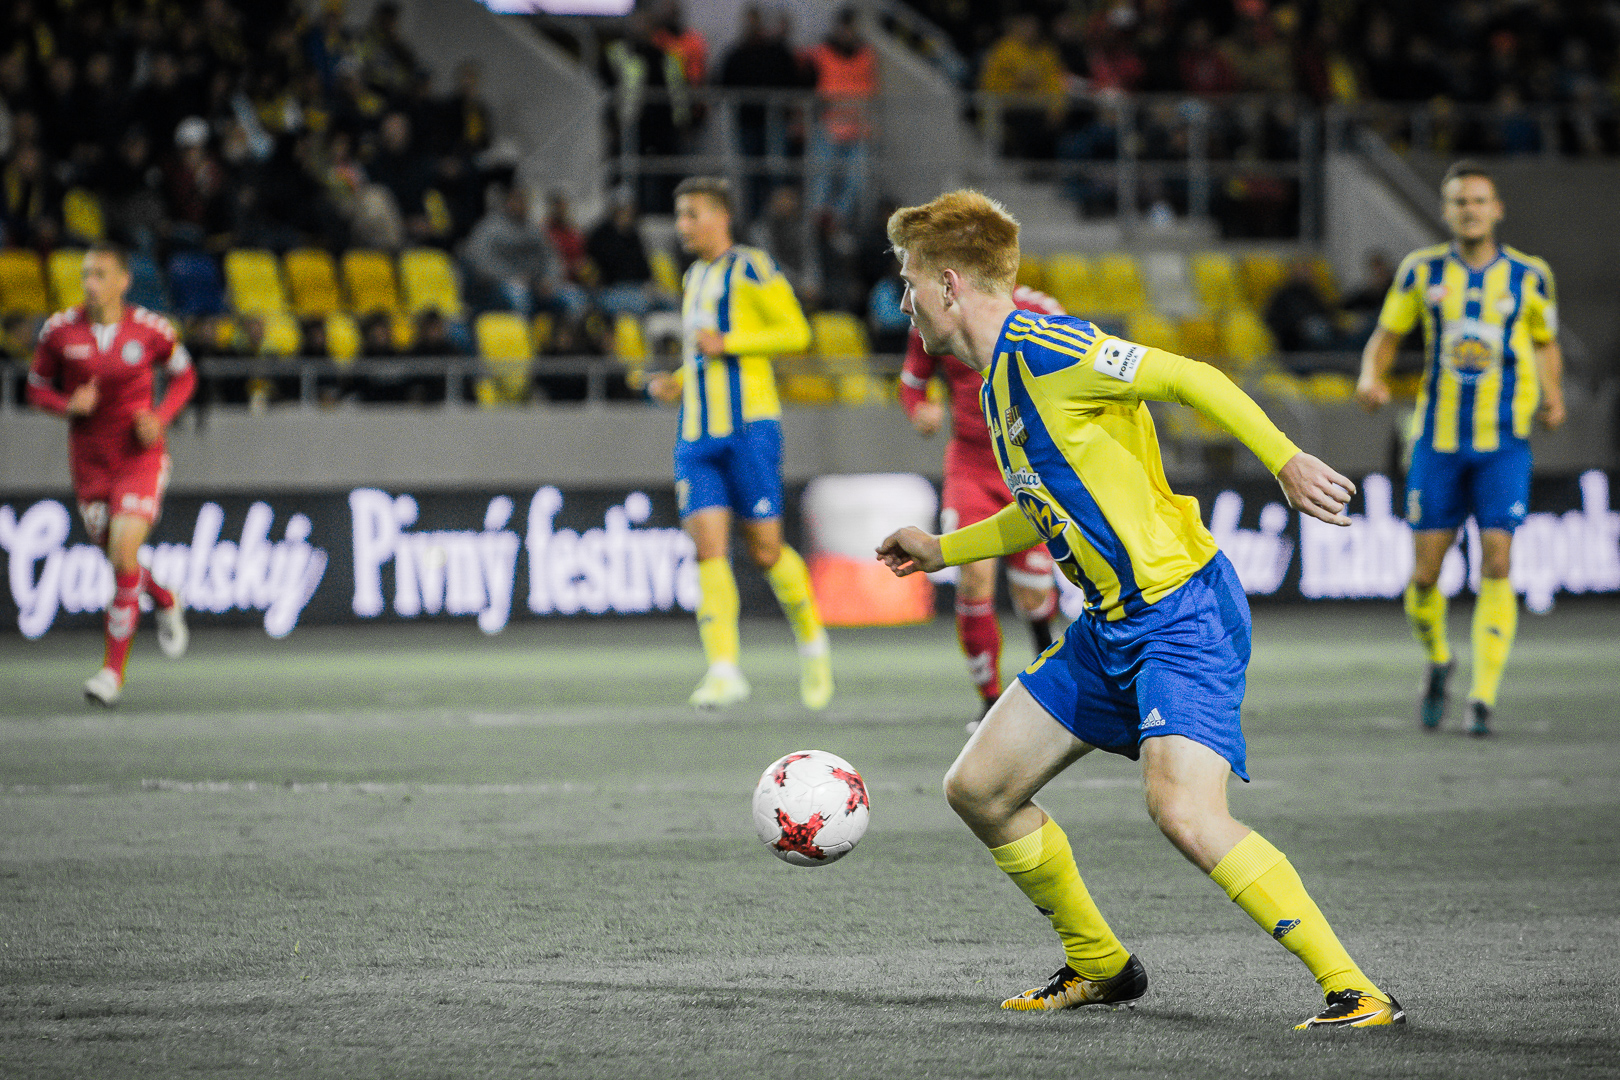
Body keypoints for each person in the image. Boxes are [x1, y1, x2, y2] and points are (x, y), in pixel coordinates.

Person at [877, 190, 1403, 1030]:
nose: (904, 303)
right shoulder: (997, 381)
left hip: (1180, 613)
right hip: (1109, 628)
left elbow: (1190, 375)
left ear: (948, 284)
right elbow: (1044, 507)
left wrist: (1285, 459)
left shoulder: (1049, 348)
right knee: (978, 788)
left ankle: (1357, 991)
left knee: (1184, 811)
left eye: (909, 283)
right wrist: (946, 549)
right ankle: (1100, 965)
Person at [1356, 161, 1564, 737]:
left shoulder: (1530, 276)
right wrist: (1371, 375)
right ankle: (1440, 660)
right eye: (1459, 202)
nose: (1469, 210)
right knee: (1426, 574)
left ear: (1496, 210)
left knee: (1498, 558)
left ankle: (1483, 697)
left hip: (1504, 443)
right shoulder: (1421, 271)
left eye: (1478, 201)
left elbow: (1545, 341)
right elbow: (1386, 336)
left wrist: (1553, 394)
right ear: (1446, 211)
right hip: (1437, 443)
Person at [645, 177, 831, 711]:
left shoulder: (752, 267)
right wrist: (678, 381)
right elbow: (701, 355)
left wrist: (731, 341)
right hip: (695, 433)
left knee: (766, 551)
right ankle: (724, 669)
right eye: (679, 215)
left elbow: (796, 333)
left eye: (692, 214)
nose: (682, 225)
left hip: (750, 427)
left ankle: (813, 644)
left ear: (721, 216)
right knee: (707, 550)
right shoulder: (693, 277)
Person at [27, 243, 195, 706]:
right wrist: (66, 405)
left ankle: (111, 674)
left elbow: (185, 376)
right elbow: (36, 388)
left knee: (122, 555)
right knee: (121, 560)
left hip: (139, 458)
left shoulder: (152, 329)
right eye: (86, 274)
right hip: (91, 464)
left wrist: (160, 417)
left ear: (123, 280)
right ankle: (164, 597)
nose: (90, 283)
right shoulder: (59, 331)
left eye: (100, 274)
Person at [898, 284, 1063, 733]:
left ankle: (1047, 673)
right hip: (970, 466)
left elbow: (1072, 372)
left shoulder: (1039, 310)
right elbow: (912, 380)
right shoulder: (935, 311)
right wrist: (919, 409)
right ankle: (990, 702)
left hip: (1028, 466)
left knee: (1033, 594)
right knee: (973, 578)